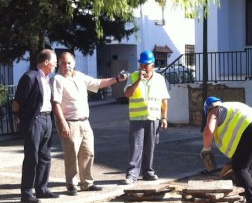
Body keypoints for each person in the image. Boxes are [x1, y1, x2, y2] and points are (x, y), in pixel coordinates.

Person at [52, 51, 128, 195]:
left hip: (84, 121)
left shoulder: (80, 76)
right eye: (63, 63)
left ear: (74, 63)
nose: (66, 66)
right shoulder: (57, 79)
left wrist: (117, 79)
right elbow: (55, 103)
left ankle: (86, 183)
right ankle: (71, 184)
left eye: (69, 63)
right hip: (69, 122)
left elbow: (98, 83)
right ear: (59, 65)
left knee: (88, 152)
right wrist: (62, 122)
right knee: (71, 154)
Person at [201, 97, 252, 203]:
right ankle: (244, 194)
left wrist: (206, 148)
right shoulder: (231, 106)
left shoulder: (214, 109)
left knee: (240, 168)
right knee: (246, 167)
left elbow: (209, 130)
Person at [13, 49, 59, 203]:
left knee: (45, 156)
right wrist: (21, 120)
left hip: (47, 119)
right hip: (34, 121)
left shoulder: (47, 78)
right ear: (46, 62)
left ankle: (42, 188)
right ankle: (26, 192)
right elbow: (18, 102)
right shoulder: (30, 77)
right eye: (54, 62)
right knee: (32, 157)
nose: (56, 65)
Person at [123, 50, 170, 184]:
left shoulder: (160, 79)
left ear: (152, 65)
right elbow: (127, 94)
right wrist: (139, 80)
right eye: (141, 65)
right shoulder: (133, 76)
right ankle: (132, 174)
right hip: (137, 118)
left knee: (150, 146)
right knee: (136, 146)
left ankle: (148, 172)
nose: (143, 68)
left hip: (153, 117)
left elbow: (164, 100)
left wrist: (164, 118)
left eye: (146, 65)